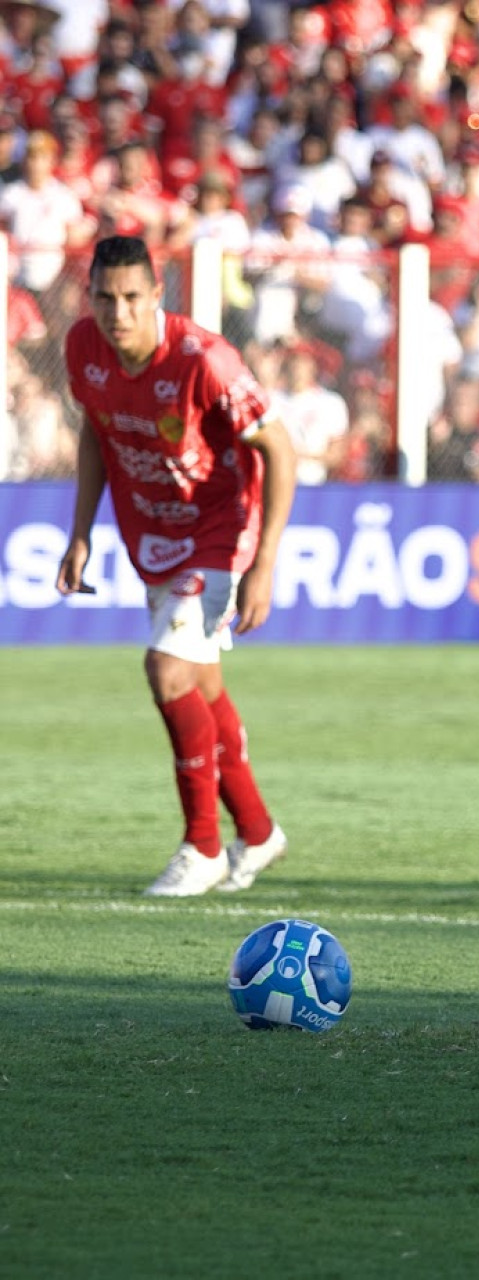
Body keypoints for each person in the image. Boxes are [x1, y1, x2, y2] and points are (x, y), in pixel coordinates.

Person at [56, 235, 296, 898]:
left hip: (222, 528)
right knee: (202, 687)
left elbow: (280, 446)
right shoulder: (83, 348)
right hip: (155, 533)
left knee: (164, 669)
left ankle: (204, 846)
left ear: (156, 295)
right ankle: (257, 830)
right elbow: (95, 432)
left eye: (132, 297)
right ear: (91, 297)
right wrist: (80, 534)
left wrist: (265, 561)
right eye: (105, 297)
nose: (118, 312)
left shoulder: (204, 359)